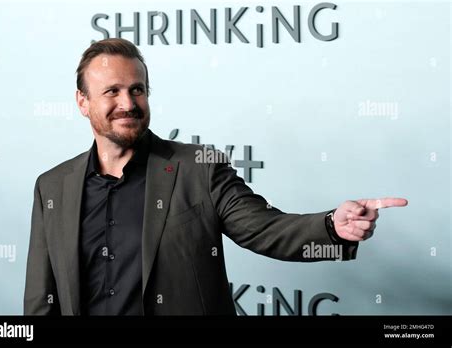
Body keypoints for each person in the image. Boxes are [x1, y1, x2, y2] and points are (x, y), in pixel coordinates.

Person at [24, 38, 407, 316]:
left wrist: (332, 227)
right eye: (112, 91)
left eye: (137, 90)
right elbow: (42, 300)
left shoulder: (199, 167)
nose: (128, 103)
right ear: (82, 102)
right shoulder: (53, 186)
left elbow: (266, 229)